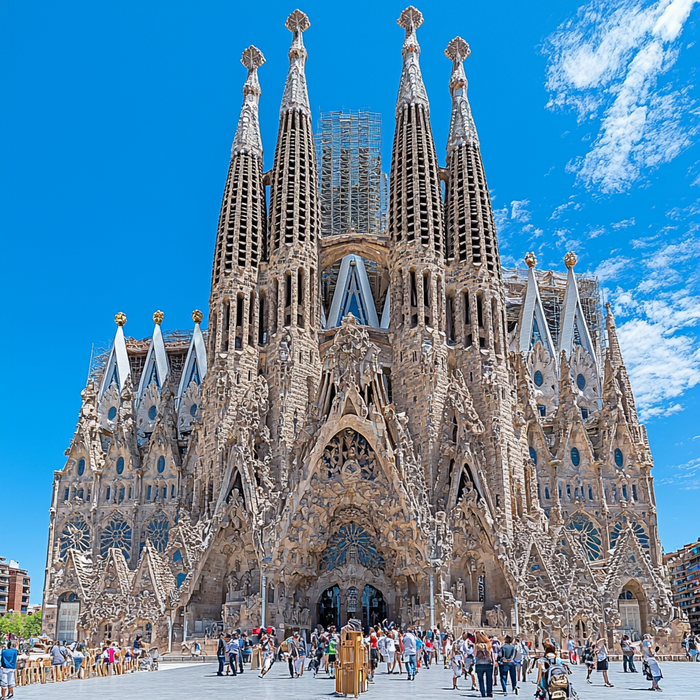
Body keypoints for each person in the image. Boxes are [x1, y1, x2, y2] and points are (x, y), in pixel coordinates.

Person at [474, 631, 495, 698]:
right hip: (488, 664)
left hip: (479, 664)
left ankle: (483, 692)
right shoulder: (489, 645)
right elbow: (492, 654)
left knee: (480, 679)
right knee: (489, 678)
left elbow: (474, 654)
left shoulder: (477, 646)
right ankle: (489, 692)